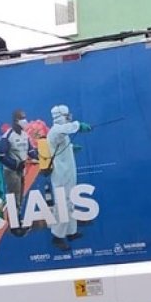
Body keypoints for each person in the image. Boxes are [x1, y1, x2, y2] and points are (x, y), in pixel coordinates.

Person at [46, 104, 91, 250]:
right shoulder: (56, 130)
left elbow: (63, 144)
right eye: (67, 115)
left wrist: (72, 148)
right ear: (60, 116)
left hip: (67, 172)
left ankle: (71, 231)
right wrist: (79, 125)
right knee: (62, 204)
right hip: (60, 174)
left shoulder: (60, 133)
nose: (69, 117)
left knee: (70, 201)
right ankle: (57, 236)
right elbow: (67, 129)